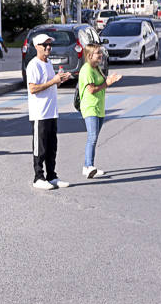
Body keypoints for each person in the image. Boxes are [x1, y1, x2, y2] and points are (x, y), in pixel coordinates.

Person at [27, 32, 72, 190]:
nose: (48, 47)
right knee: (41, 147)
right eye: (45, 45)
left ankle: (51, 176)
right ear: (37, 47)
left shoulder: (47, 63)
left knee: (52, 146)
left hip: (51, 111)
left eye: (49, 45)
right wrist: (53, 81)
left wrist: (60, 80)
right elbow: (33, 88)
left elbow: (52, 84)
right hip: (40, 112)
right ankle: (38, 177)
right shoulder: (33, 65)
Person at [77, 43, 121, 178]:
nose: (101, 55)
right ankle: (88, 166)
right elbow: (91, 89)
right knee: (92, 137)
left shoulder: (96, 68)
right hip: (90, 107)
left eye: (100, 52)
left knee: (94, 138)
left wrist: (109, 80)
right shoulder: (87, 70)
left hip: (99, 107)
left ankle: (89, 165)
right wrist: (107, 83)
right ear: (90, 55)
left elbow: (101, 84)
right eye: (98, 53)